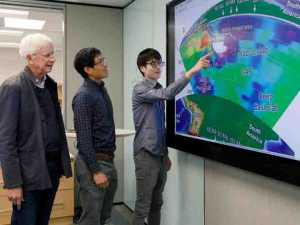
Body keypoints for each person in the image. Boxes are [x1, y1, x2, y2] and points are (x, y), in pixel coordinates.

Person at [0, 33, 72, 225]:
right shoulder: (13, 87)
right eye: (47, 55)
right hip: (27, 173)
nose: (52, 59)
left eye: (52, 54)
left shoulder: (50, 86)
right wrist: (13, 183)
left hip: (50, 170)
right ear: (30, 57)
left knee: (42, 221)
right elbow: (6, 140)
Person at [132, 48, 210, 225]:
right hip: (145, 154)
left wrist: (165, 154)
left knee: (157, 203)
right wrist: (192, 71)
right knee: (143, 205)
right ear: (142, 68)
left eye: (160, 63)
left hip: (159, 155)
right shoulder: (140, 89)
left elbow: (160, 127)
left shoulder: (158, 88)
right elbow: (167, 94)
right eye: (153, 63)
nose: (158, 67)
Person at [72, 47, 118, 225]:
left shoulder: (100, 90)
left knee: (104, 216)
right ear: (88, 70)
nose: (105, 64)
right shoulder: (84, 96)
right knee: (91, 218)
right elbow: (83, 139)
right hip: (94, 164)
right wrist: (96, 171)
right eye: (100, 62)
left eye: (103, 59)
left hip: (107, 160)